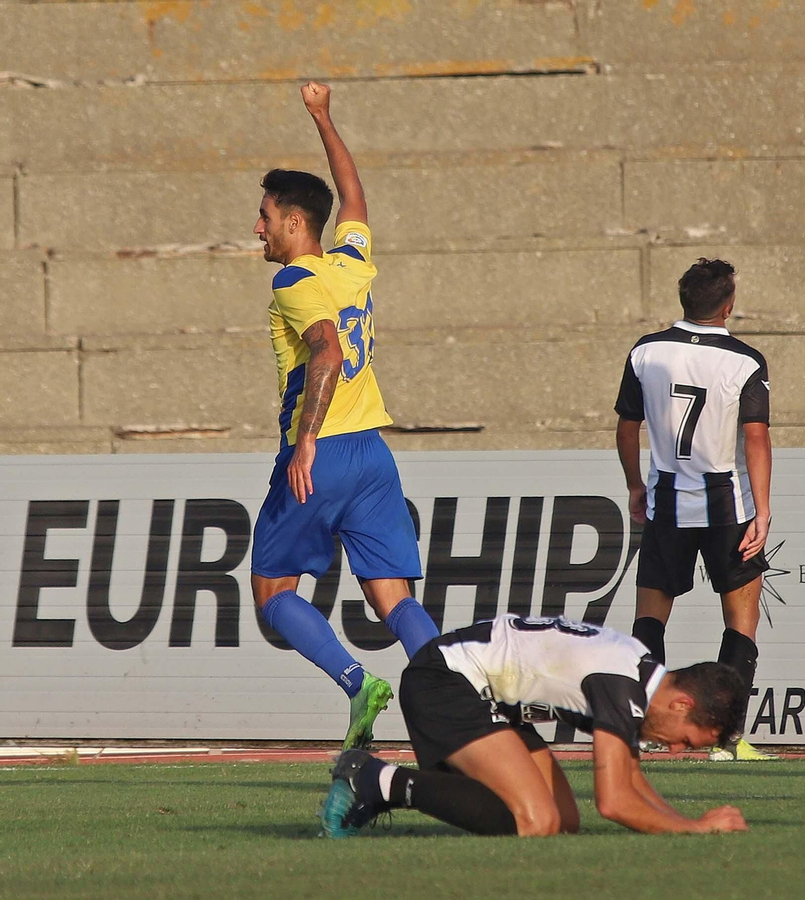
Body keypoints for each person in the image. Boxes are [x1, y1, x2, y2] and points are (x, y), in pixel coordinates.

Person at [250, 82, 438, 750]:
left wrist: (304, 445)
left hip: (321, 451)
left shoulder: (295, 281)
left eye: (266, 215)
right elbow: (353, 197)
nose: (258, 227)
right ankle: (452, 689)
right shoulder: (350, 262)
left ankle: (358, 683)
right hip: (373, 454)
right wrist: (324, 118)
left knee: (272, 592)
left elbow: (325, 350)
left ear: (294, 223)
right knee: (394, 597)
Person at [320, 614, 749, 837]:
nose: (677, 751)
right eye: (688, 741)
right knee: (536, 821)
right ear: (681, 703)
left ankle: (384, 784)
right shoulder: (622, 686)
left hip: (480, 693)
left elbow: (631, 778)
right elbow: (615, 801)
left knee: (562, 820)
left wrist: (685, 824)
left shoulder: (637, 670)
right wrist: (695, 828)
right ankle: (376, 778)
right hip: (444, 682)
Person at [615, 258, 775, 762]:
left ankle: (644, 729)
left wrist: (635, 486)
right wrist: (763, 510)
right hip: (728, 509)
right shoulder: (745, 360)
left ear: (684, 301)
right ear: (728, 306)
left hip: (666, 506)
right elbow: (756, 437)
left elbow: (626, 428)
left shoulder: (646, 351)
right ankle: (727, 741)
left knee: (649, 623)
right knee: (739, 625)